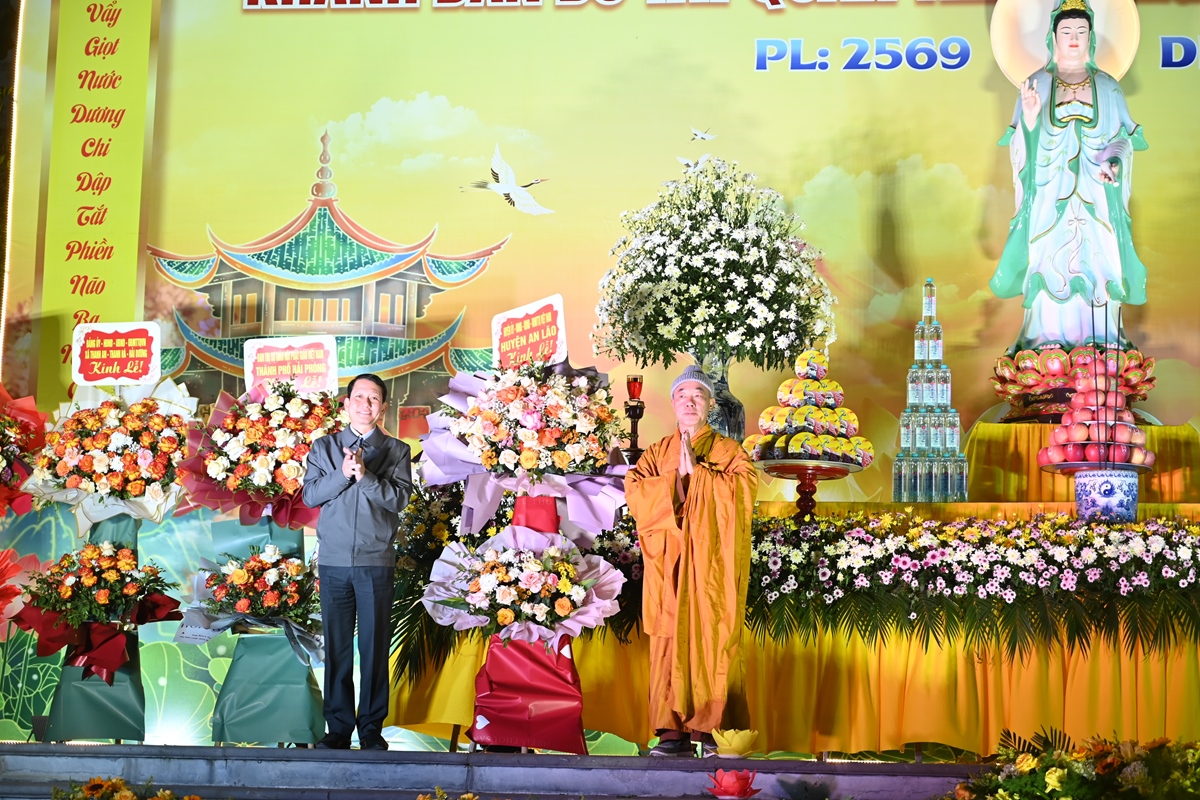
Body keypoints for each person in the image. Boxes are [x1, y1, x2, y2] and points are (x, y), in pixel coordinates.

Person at [989, 0, 1147, 356]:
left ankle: (1103, 344)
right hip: (1050, 197)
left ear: (1091, 36)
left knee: (1100, 265)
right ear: (1053, 37)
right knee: (1049, 263)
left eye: (1081, 31)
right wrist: (1030, 119)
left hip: (1097, 198)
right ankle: (1044, 345)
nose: (1074, 38)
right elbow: (1021, 144)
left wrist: (1113, 161)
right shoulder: (1036, 84)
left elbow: (1124, 138)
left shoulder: (1107, 86)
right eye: (1066, 31)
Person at [624, 365, 757, 757]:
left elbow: (744, 494)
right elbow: (635, 492)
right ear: (672, 403)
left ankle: (713, 730)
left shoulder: (730, 452)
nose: (690, 402)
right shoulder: (656, 453)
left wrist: (699, 475)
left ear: (710, 404)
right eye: (682, 395)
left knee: (713, 638)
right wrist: (673, 482)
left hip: (710, 568)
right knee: (668, 641)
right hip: (669, 564)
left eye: (698, 395)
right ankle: (672, 732)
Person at [302, 373, 413, 751]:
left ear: (383, 407)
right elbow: (311, 496)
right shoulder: (324, 447)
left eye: (374, 398)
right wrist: (342, 474)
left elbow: (398, 500)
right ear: (346, 404)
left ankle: (370, 729)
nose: (366, 404)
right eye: (359, 397)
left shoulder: (397, 450)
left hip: (375, 562)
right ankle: (337, 728)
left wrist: (365, 476)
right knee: (336, 648)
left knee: (374, 648)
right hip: (333, 563)